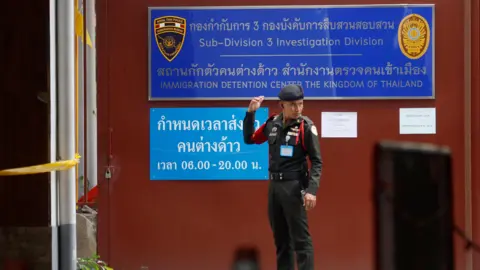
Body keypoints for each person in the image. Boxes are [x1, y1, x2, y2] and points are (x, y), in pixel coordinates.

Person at [243, 84, 323, 270]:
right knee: (281, 241)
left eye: (300, 104)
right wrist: (250, 114)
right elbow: (250, 139)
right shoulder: (273, 124)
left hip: (294, 187)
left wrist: (311, 191)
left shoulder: (306, 127)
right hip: (275, 187)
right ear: (282, 105)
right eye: (293, 105)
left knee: (301, 242)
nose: (297, 109)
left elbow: (317, 161)